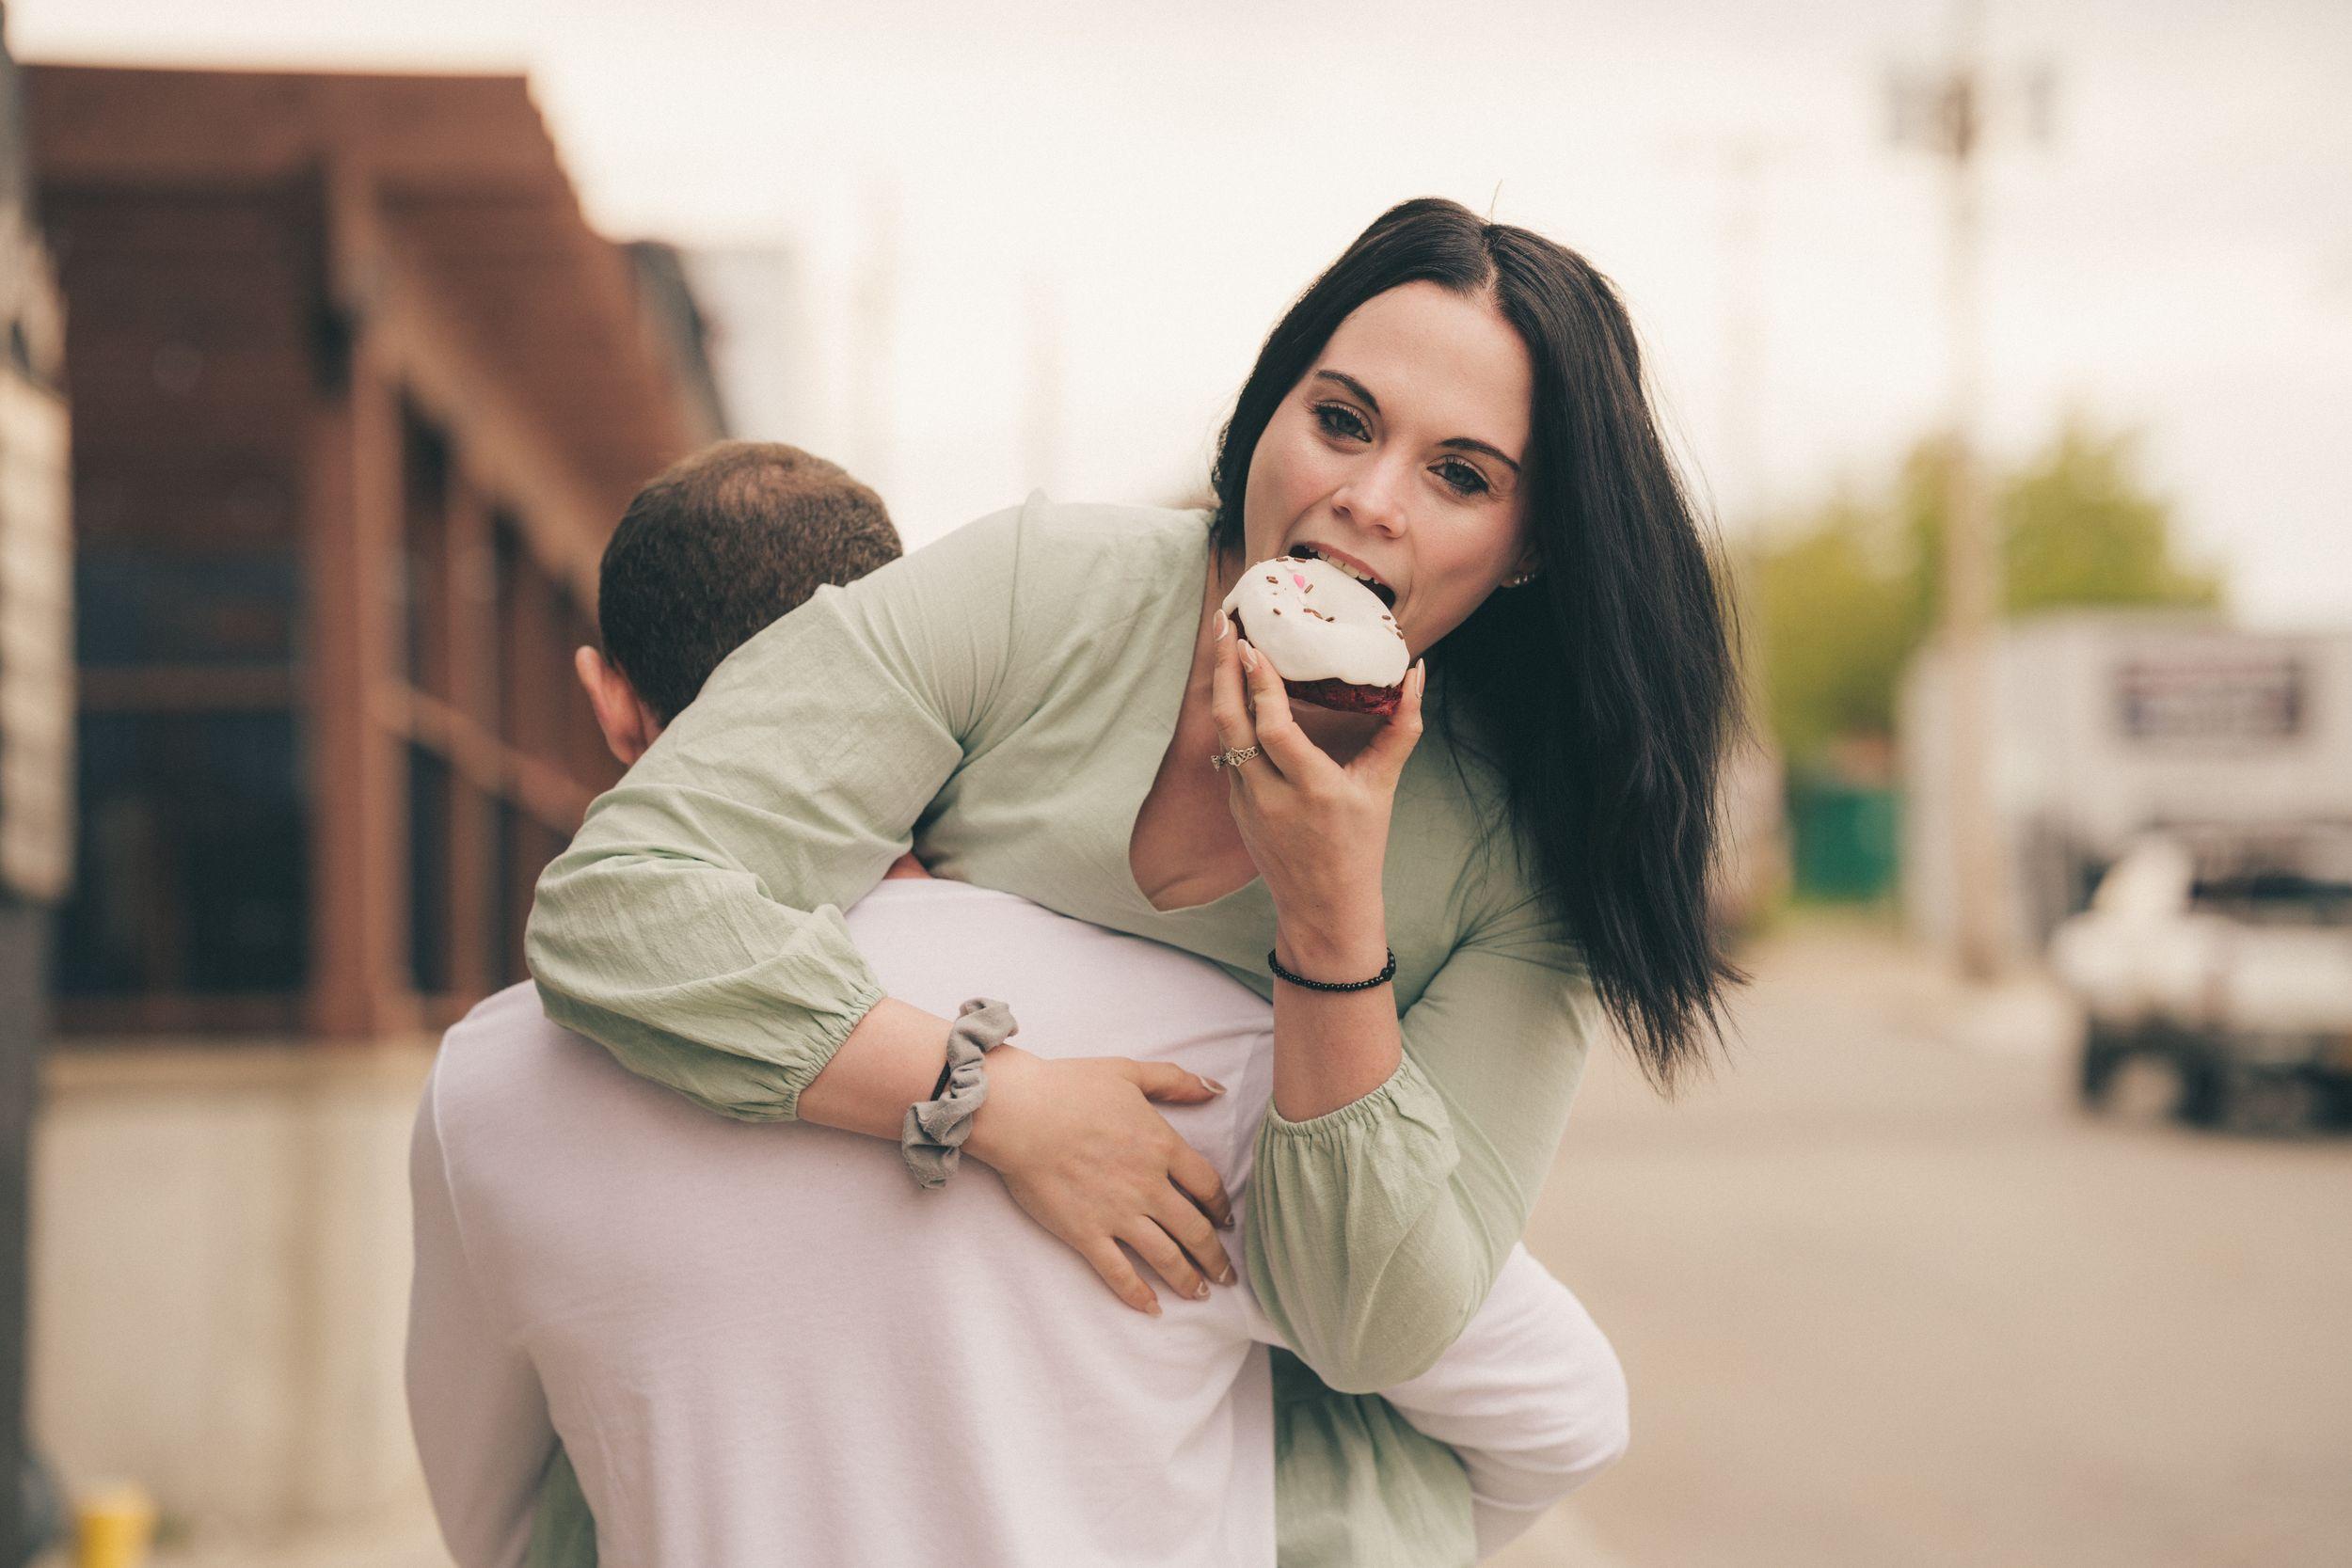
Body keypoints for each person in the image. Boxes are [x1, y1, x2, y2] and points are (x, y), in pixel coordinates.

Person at [528, 197, 1737, 1544]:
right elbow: (618, 902)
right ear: (1268, 415)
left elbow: (1365, 1325)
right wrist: (992, 1100)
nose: (1367, 498)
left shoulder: (1524, 851)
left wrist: (1331, 915)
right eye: (1340, 420)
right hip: (885, 1459)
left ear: (1531, 551)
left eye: (1462, 476)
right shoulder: (1040, 593)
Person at [409, 440, 1629, 1567]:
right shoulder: (1195, 1053)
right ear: (910, 678)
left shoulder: (486, 1092)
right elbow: (1561, 1414)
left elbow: (502, 1526)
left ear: (612, 700)